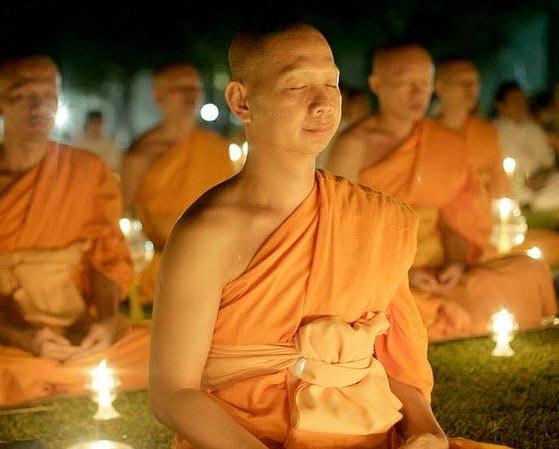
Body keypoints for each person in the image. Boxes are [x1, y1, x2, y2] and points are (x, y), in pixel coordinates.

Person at [150, 18, 511, 449]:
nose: (323, 104)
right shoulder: (208, 232)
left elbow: (396, 360)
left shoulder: (373, 217)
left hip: (367, 433)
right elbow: (173, 393)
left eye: (332, 84)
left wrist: (424, 429)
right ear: (242, 101)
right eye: (296, 86)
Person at [0, 54, 150, 410]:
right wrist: (23, 338)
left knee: (169, 347)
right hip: (1, 329)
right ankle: (83, 373)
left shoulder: (87, 170)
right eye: (24, 95)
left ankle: (51, 373)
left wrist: (105, 322)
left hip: (78, 325)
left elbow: (104, 258)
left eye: (49, 95)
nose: (39, 105)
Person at [327, 43, 556, 342]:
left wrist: (455, 264)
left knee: (529, 271)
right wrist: (399, 275)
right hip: (380, 270)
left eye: (424, 84)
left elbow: (451, 219)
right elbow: (341, 229)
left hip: (436, 267)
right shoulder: (354, 145)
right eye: (404, 84)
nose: (417, 94)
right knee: (382, 302)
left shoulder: (443, 141)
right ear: (376, 84)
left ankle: (439, 303)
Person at [119, 61, 235, 307]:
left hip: (215, 269)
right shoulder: (139, 156)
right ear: (158, 97)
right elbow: (126, 221)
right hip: (160, 271)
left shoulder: (216, 149)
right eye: (179, 88)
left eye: (195, 88)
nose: (190, 95)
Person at [433, 58, 559, 267]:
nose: (471, 89)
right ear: (439, 86)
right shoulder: (425, 133)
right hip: (443, 227)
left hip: (484, 220)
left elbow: (500, 186)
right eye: (462, 82)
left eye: (474, 83)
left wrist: (505, 220)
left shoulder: (485, 132)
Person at [491, 81, 559, 212]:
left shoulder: (534, 129)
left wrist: (541, 176)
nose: (520, 105)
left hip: (541, 187)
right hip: (509, 186)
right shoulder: (493, 131)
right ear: (500, 105)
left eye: (522, 100)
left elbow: (549, 163)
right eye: (515, 101)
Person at [70, 109, 122, 175]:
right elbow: (73, 164)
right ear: (87, 123)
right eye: (94, 122)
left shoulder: (109, 144)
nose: (96, 126)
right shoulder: (77, 144)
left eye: (99, 122)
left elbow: (115, 165)